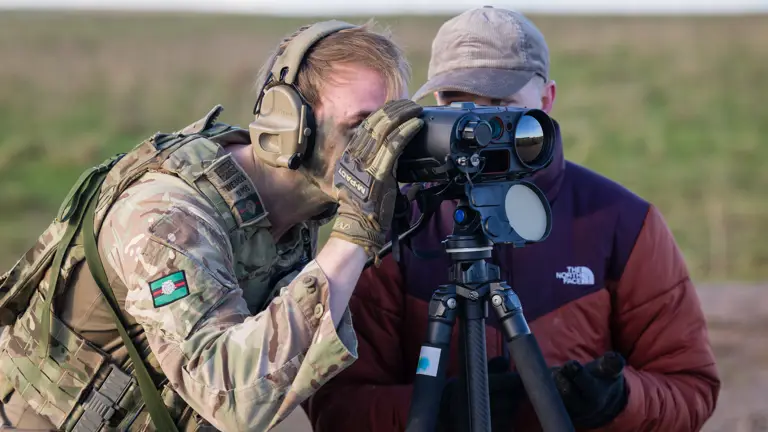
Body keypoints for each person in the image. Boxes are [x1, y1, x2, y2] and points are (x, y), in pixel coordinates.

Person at [305, 7, 720, 432]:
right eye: (456, 104)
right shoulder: (394, 223)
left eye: (501, 105)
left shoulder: (621, 223)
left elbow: (691, 388)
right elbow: (337, 406)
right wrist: (436, 410)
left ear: (546, 101)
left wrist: (617, 401)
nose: (477, 129)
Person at [0, 19, 425, 431]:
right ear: (289, 123)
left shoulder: (297, 215)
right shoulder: (167, 218)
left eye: (390, 131)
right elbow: (234, 400)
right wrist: (354, 234)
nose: (378, 153)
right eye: (361, 128)